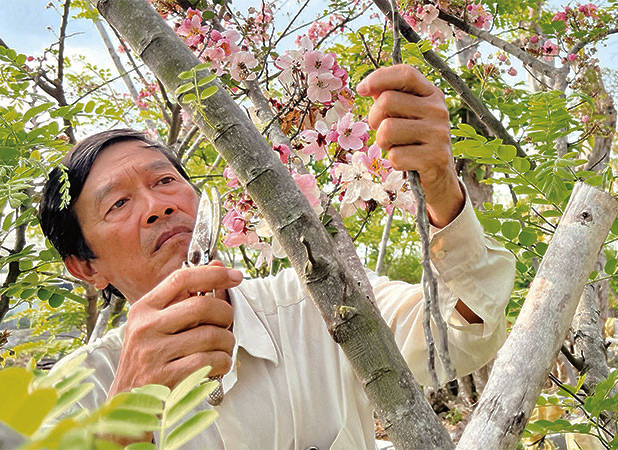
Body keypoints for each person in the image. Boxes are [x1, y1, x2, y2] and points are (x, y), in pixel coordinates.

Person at [39, 65, 514, 448]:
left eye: (164, 181)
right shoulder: (74, 392)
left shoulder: (317, 304)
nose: (157, 206)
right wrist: (122, 421)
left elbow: (461, 332)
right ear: (85, 266)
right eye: (118, 203)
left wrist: (439, 180)